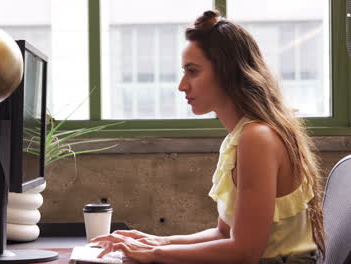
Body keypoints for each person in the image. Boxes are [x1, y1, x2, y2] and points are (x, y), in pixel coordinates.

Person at [91, 10, 324, 264]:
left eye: (192, 71)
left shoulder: (257, 138)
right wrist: (156, 241)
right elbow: (225, 234)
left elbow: (245, 252)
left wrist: (154, 254)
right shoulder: (240, 136)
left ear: (227, 72)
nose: (182, 85)